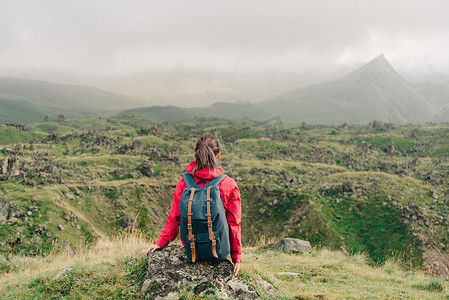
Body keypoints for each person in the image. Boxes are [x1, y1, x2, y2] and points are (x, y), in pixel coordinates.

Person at [146, 135, 242, 276]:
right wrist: (236, 256)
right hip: (219, 253)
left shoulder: (184, 182)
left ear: (196, 155)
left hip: (192, 250)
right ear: (218, 155)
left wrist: (160, 242)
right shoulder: (228, 184)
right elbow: (234, 223)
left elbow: (174, 217)